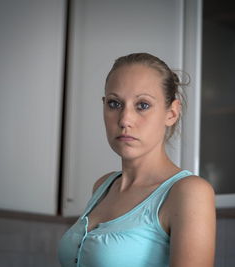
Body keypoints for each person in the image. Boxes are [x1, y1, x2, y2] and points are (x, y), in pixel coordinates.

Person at [58, 52, 216, 267]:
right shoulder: (102, 186)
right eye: (114, 104)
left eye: (142, 105)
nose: (125, 120)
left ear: (172, 113)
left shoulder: (188, 192)